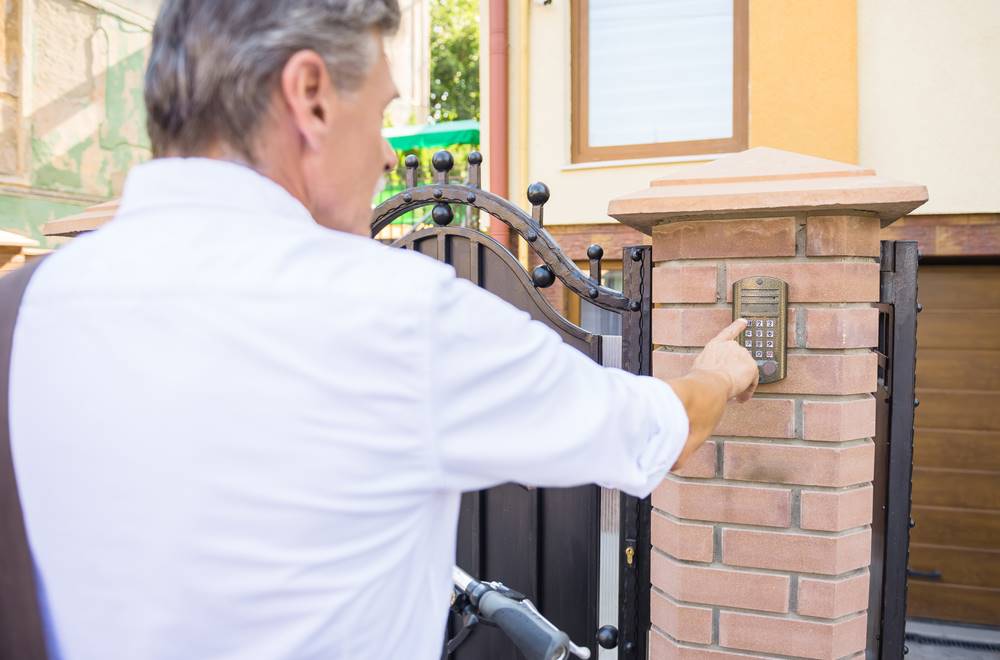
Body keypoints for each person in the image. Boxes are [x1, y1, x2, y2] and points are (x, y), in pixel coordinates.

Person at [9, 1, 758, 658]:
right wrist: (721, 374)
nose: (384, 155)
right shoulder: (397, 318)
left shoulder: (23, 310)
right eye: (382, 115)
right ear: (310, 96)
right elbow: (653, 431)